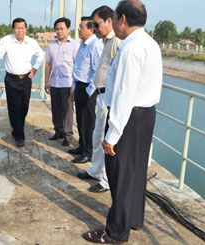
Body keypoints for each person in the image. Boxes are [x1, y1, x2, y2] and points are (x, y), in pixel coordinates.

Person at [83, 0, 162, 243]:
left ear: (123, 19)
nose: (113, 23)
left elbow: (125, 94)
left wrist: (112, 135)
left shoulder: (130, 48)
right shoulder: (149, 43)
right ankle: (133, 218)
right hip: (145, 114)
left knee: (120, 173)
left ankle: (116, 231)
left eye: (115, 18)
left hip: (129, 117)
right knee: (136, 171)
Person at [76, 6, 121, 193]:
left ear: (109, 21)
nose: (95, 28)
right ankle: (95, 170)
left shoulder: (117, 41)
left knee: (105, 139)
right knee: (97, 136)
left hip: (108, 96)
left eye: (97, 24)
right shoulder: (105, 42)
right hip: (101, 95)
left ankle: (105, 180)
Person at [0, 18, 45, 147]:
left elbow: (41, 55)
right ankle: (19, 135)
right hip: (11, 79)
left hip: (26, 79)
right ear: (13, 29)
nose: (20, 30)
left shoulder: (31, 42)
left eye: (22, 27)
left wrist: (35, 68)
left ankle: (17, 128)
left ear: (26, 29)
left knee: (24, 107)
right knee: (14, 107)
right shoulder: (6, 41)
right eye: (17, 28)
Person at [68, 16, 103, 163]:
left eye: (81, 27)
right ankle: (82, 146)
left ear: (91, 29)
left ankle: (88, 152)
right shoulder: (83, 45)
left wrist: (90, 90)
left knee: (88, 122)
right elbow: (79, 67)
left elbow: (97, 70)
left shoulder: (95, 45)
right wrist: (75, 87)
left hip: (88, 89)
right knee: (80, 119)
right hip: (79, 86)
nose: (78, 29)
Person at [45, 17, 80, 147]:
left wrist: (74, 85)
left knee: (67, 111)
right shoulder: (52, 45)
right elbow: (48, 64)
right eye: (57, 29)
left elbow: (77, 66)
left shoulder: (75, 45)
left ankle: (68, 135)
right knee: (56, 109)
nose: (59, 31)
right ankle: (58, 131)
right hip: (54, 82)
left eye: (61, 29)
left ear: (68, 29)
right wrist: (46, 81)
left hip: (68, 84)